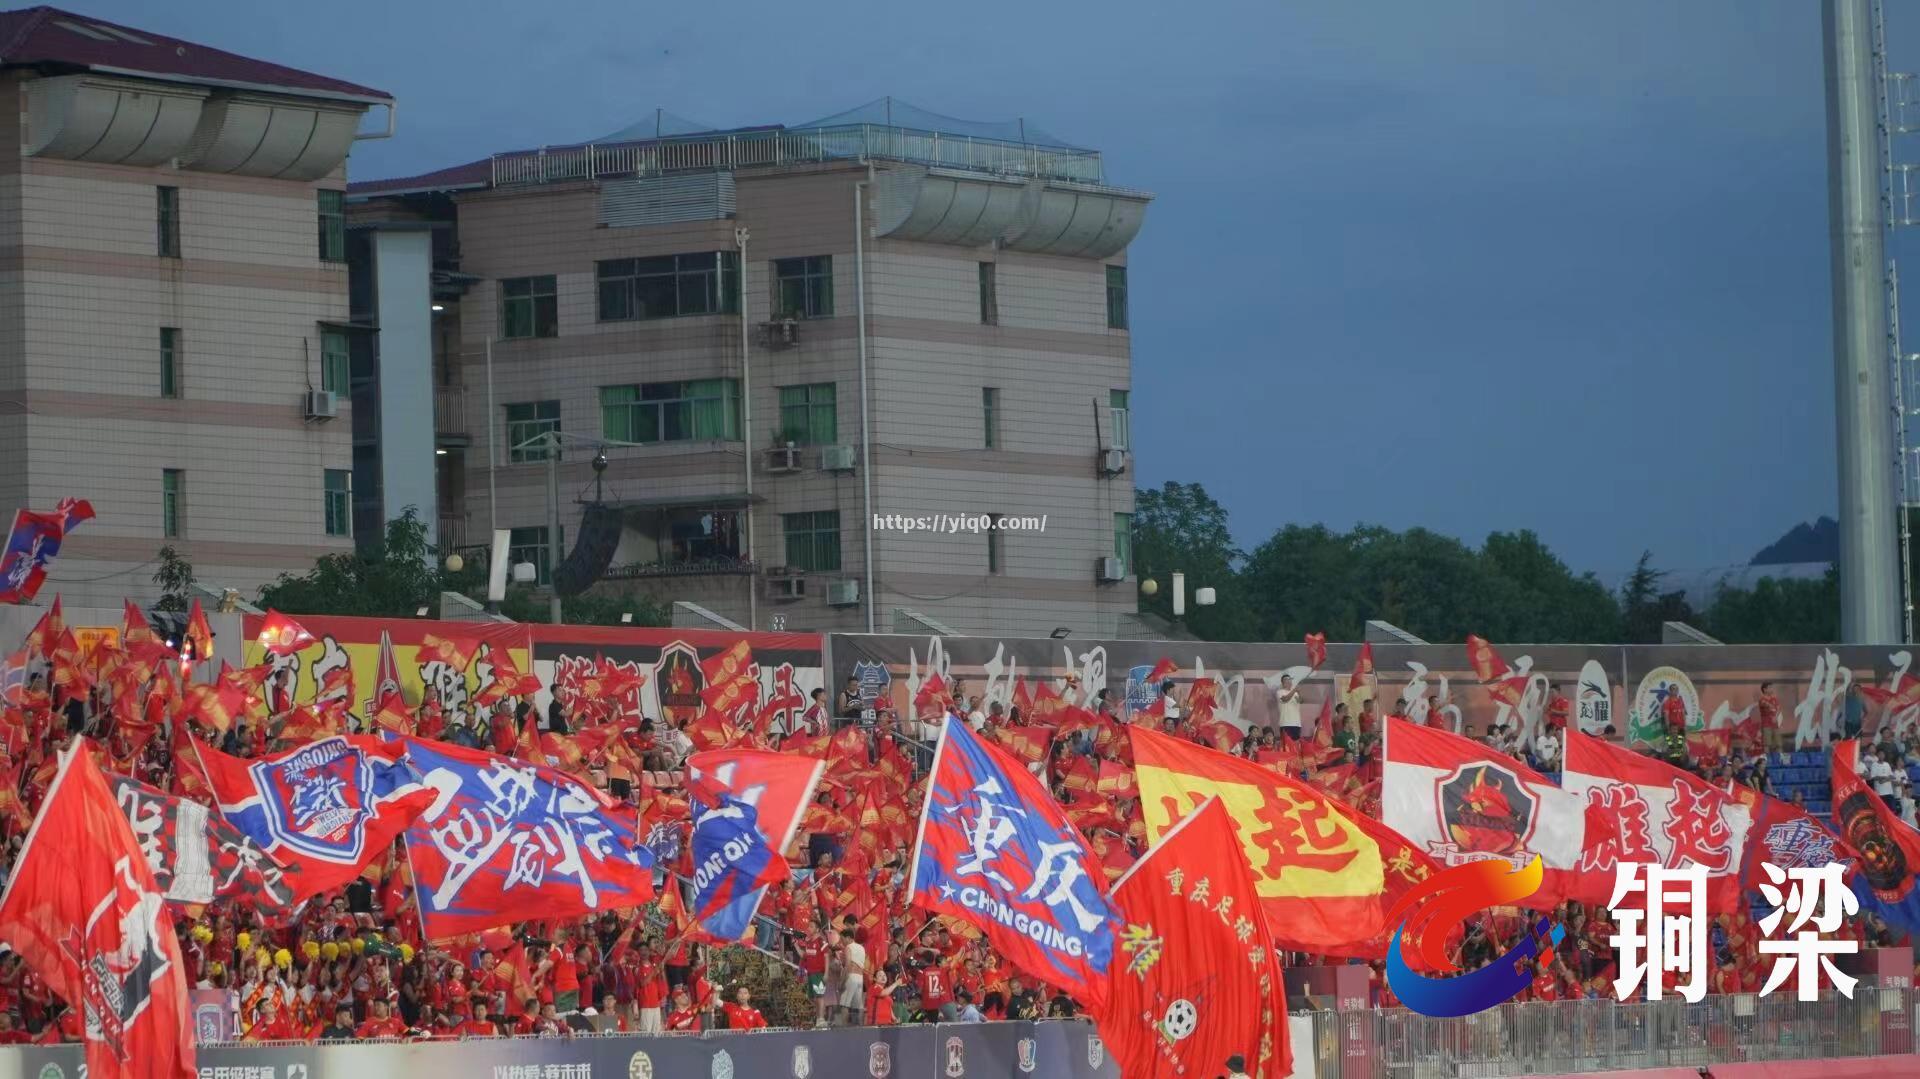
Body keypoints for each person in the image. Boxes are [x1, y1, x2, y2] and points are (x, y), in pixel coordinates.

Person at [1275, 675, 1302, 741]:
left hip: (1296, 724)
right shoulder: (1279, 692)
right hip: (1285, 724)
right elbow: (1285, 699)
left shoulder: (1295, 694)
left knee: (1296, 746)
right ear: (1282, 682)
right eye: (1286, 679)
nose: (1289, 681)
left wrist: (1299, 692)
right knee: (1286, 746)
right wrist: (1294, 690)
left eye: (1290, 679)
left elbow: (1301, 701)